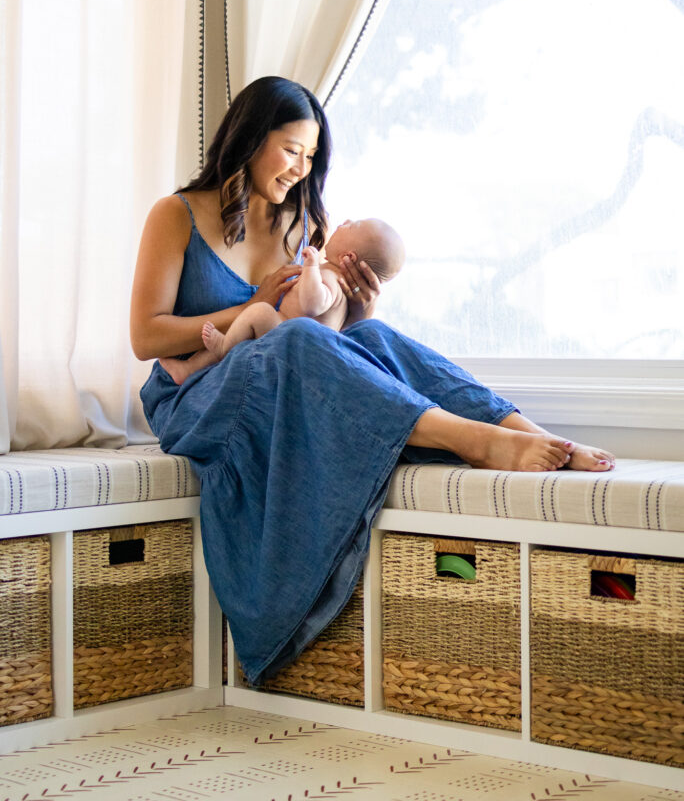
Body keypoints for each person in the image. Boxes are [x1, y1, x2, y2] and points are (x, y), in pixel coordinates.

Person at [130, 75, 615, 686]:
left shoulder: (301, 223)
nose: (300, 170)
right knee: (296, 339)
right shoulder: (176, 215)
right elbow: (146, 336)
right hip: (197, 395)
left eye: (310, 158)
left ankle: (518, 428)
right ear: (250, 140)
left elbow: (322, 337)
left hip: (278, 381)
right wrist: (247, 305)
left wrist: (360, 309)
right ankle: (471, 439)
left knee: (376, 339)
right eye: (289, 150)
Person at [159, 218, 405, 385]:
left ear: (348, 256)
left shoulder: (330, 279)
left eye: (354, 225)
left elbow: (312, 304)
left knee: (259, 311)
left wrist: (310, 267)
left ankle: (221, 349)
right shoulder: (338, 286)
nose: (345, 222)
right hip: (289, 342)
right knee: (246, 332)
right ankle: (193, 367)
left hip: (286, 334)